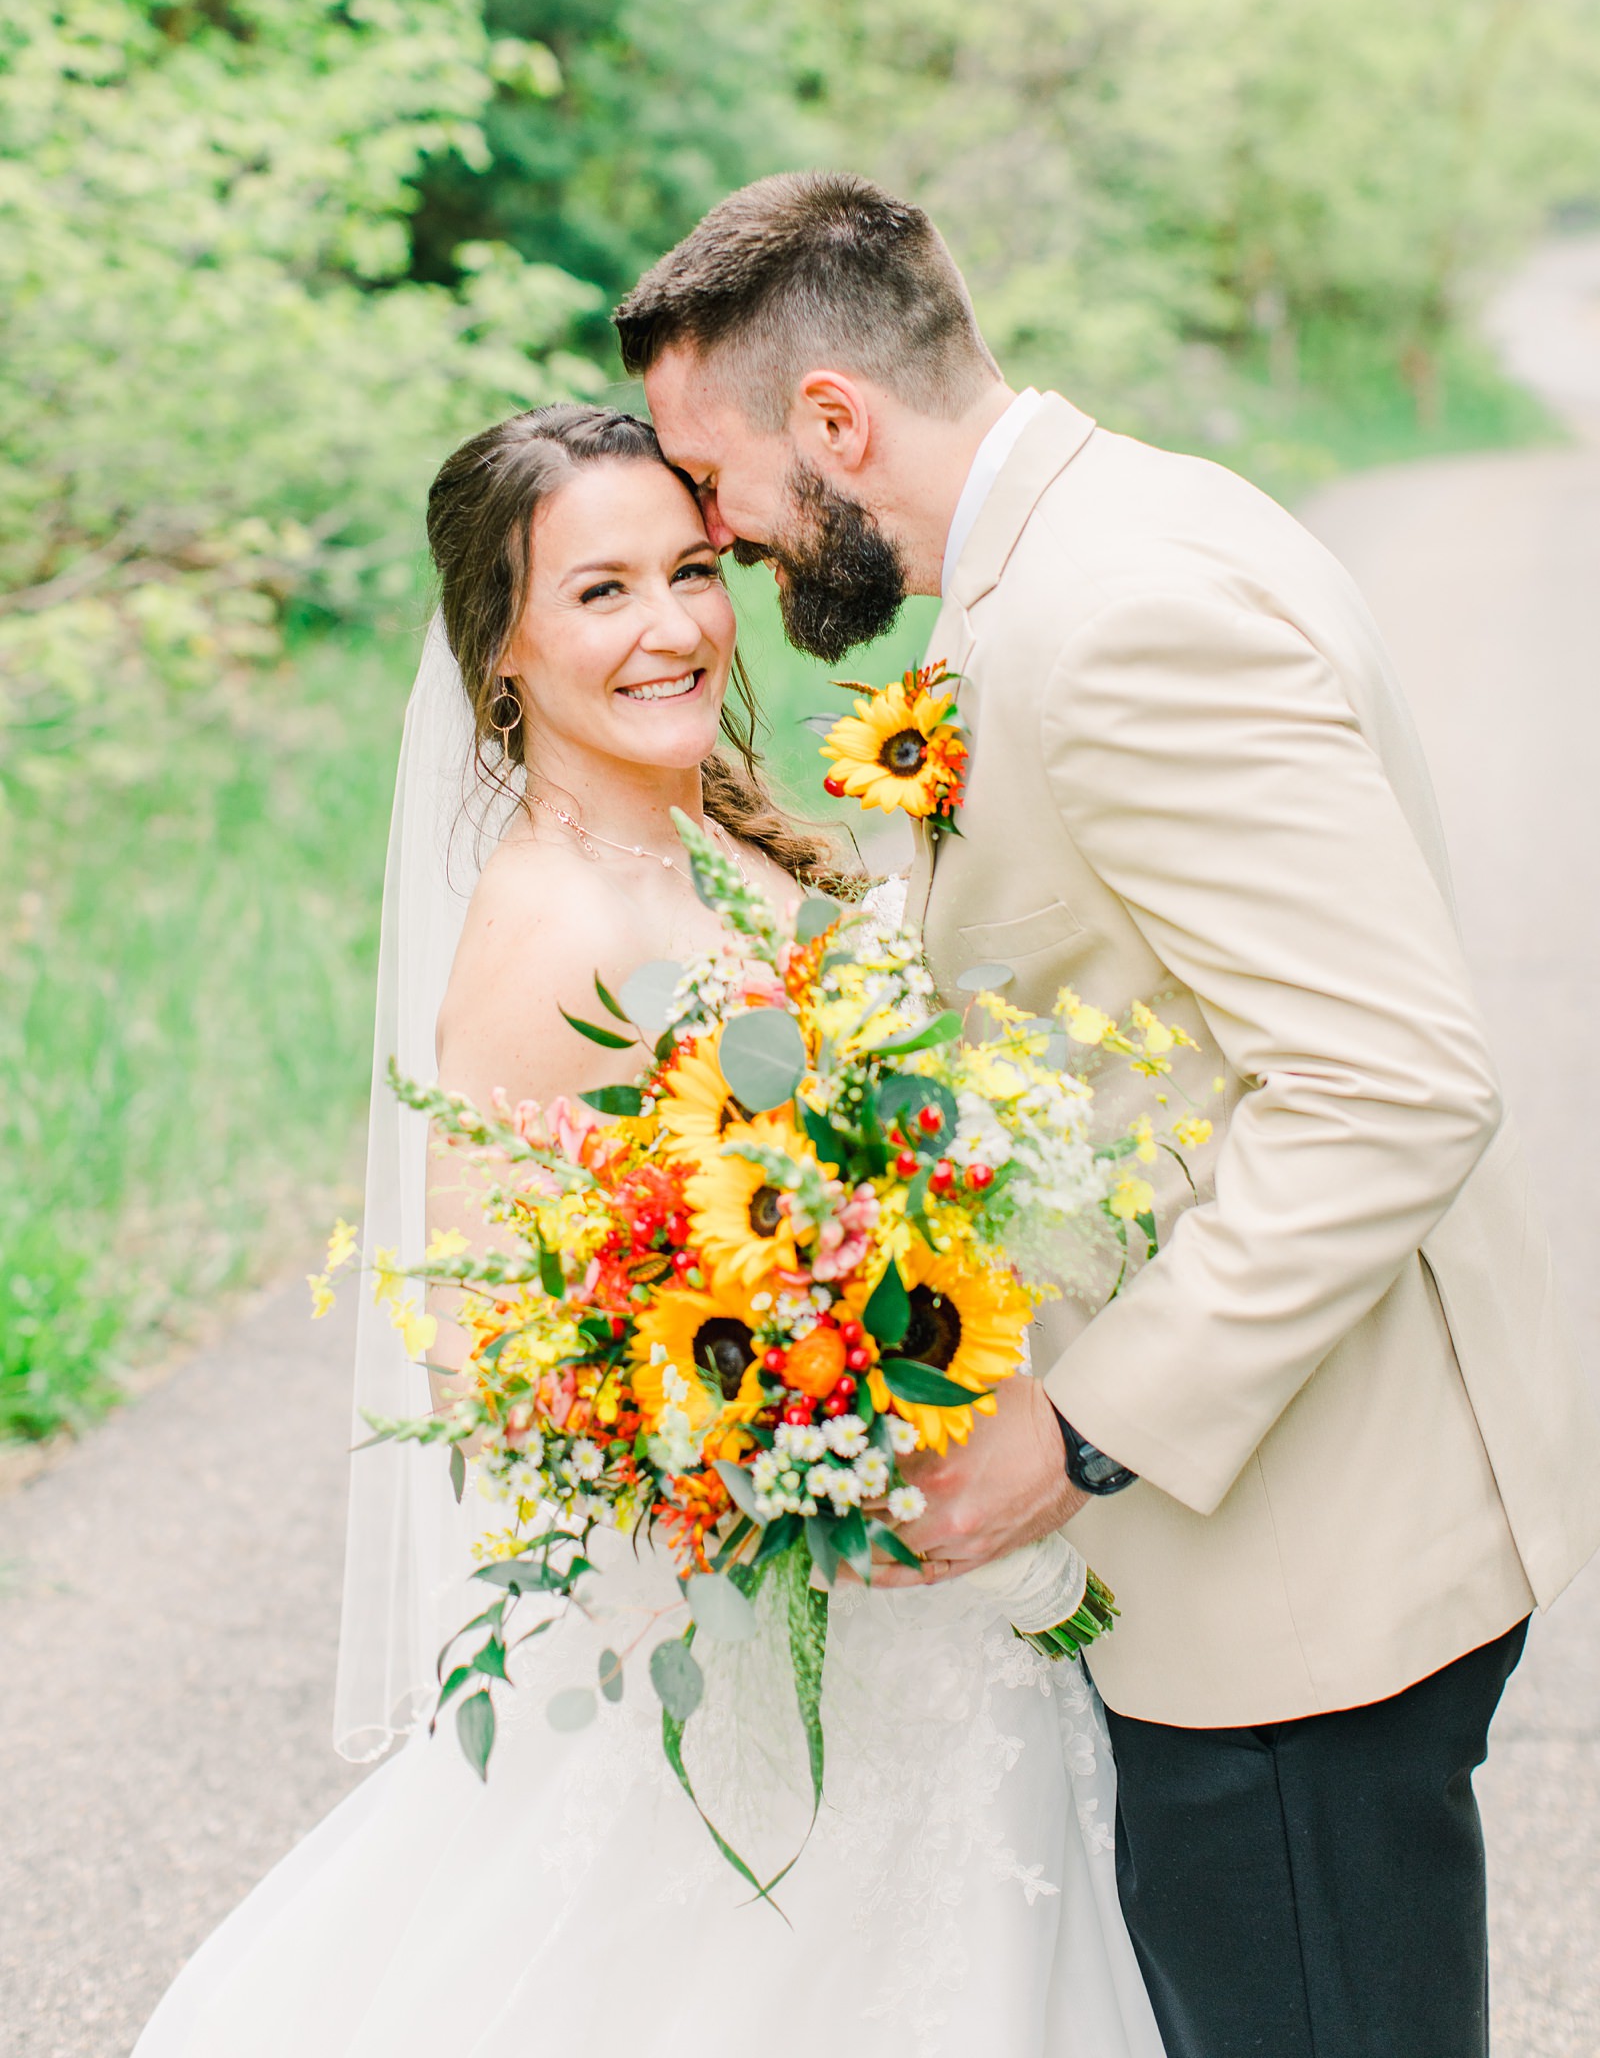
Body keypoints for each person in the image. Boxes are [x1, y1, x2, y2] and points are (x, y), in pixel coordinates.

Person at [614, 170, 1600, 2058]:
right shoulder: (1088, 537)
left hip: (1308, 1582)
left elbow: (1392, 1084)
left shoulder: (1116, 613)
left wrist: (1076, 1432)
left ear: (836, 423)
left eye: (711, 479)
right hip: (1272, 1560)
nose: (718, 538)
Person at [131, 401, 1166, 2057]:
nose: (676, 626)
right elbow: (487, 1345)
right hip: (758, 1588)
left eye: (692, 569)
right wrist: (772, 1425)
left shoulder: (716, 849)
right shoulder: (547, 938)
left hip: (915, 1561)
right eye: (601, 591)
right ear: (502, 653)